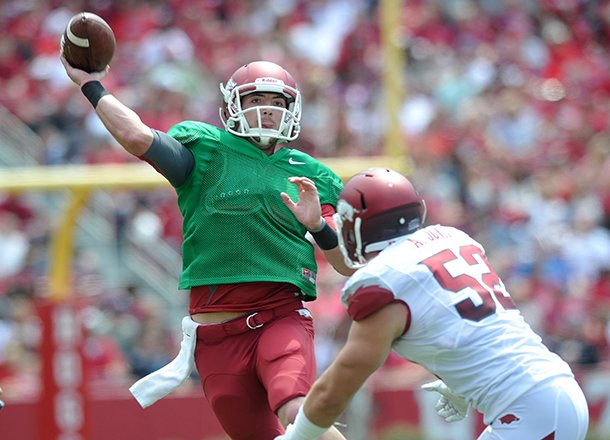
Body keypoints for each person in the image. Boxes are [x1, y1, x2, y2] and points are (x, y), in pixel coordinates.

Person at [60, 51, 351, 439]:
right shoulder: (207, 150)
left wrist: (319, 226)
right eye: (256, 100)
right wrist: (90, 84)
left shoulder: (311, 174)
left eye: (277, 102)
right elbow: (136, 136)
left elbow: (346, 263)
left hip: (279, 318)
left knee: (297, 410)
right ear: (233, 104)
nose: (268, 110)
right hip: (214, 337)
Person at [277, 168, 590, 440]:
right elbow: (466, 323)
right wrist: (460, 380)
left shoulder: (383, 281)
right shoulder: (451, 239)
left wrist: (298, 435)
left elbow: (337, 388)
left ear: (356, 226)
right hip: (547, 392)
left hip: (529, 407)